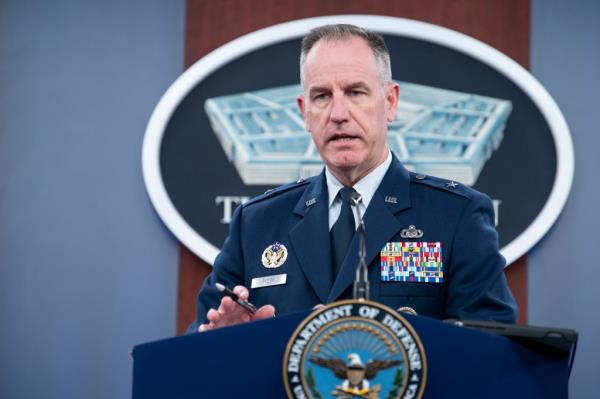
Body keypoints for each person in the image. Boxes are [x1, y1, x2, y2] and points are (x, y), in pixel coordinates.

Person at [189, 24, 517, 333]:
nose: (339, 114)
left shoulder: (455, 216)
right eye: (321, 96)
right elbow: (195, 348)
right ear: (304, 112)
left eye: (356, 92)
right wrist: (226, 343)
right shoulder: (256, 224)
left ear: (390, 102)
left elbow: (491, 351)